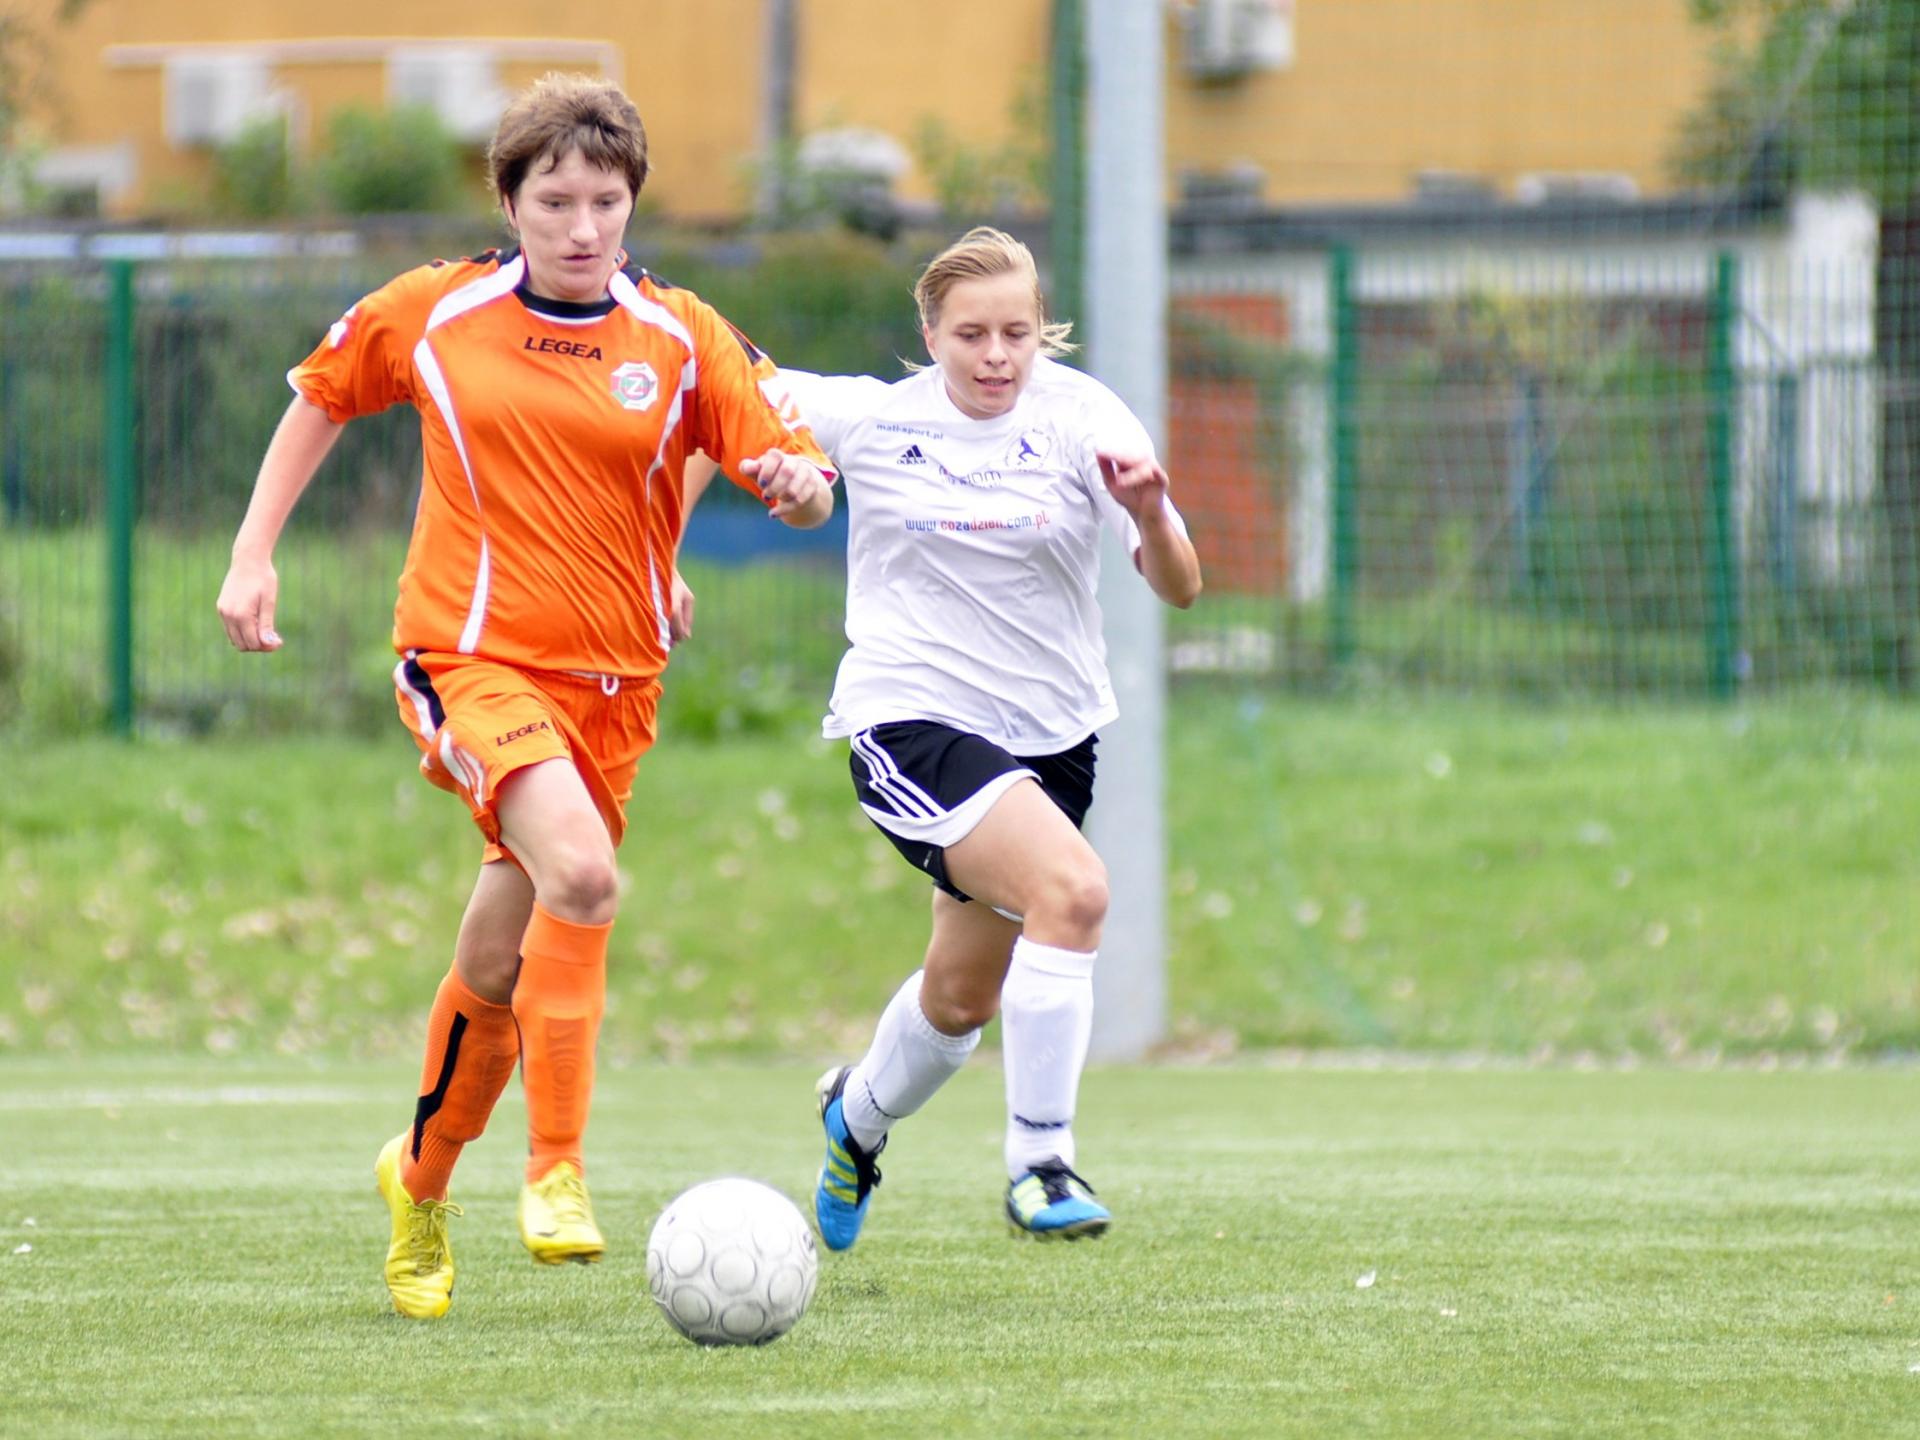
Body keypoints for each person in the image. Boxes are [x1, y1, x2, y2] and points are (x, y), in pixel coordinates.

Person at [214, 73, 835, 1319]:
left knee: (501, 956)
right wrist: (250, 552)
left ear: (632, 206)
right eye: (555, 199)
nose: (583, 225)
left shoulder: (679, 331)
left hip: (618, 685)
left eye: (606, 201)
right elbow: (320, 392)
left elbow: (778, 453)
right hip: (470, 656)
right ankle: (556, 1170)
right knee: (588, 875)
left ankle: (421, 1178)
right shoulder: (440, 312)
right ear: (511, 199)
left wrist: (792, 491)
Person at [772, 225, 1202, 1246]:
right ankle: (1042, 1165)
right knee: (1076, 890)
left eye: (1018, 332)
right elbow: (703, 391)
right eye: (972, 335)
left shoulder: (1082, 416)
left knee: (961, 998)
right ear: (929, 333)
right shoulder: (873, 418)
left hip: (1051, 740)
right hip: (910, 720)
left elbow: (1182, 588)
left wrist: (1150, 513)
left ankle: (856, 1119)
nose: (997, 354)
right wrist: (702, 538)